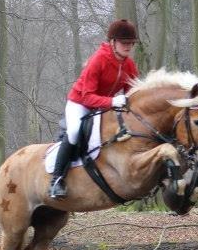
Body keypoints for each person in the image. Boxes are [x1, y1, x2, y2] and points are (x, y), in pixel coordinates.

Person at [49, 19, 141, 199]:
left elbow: (133, 92)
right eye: (124, 43)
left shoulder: (128, 64)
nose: (128, 46)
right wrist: (113, 102)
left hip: (104, 107)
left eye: (131, 43)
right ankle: (56, 180)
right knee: (75, 131)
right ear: (113, 42)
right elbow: (87, 96)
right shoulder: (99, 59)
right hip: (80, 103)